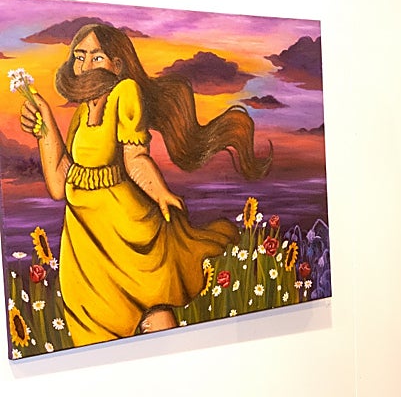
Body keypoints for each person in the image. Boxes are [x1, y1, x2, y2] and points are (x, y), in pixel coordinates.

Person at [18, 23, 271, 346]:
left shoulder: (124, 93)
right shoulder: (82, 113)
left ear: (117, 64)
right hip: (84, 243)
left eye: (97, 57)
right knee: (94, 334)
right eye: (79, 57)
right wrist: (46, 128)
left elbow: (134, 158)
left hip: (125, 230)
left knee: (153, 313)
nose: (84, 66)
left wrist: (160, 191)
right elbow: (59, 183)